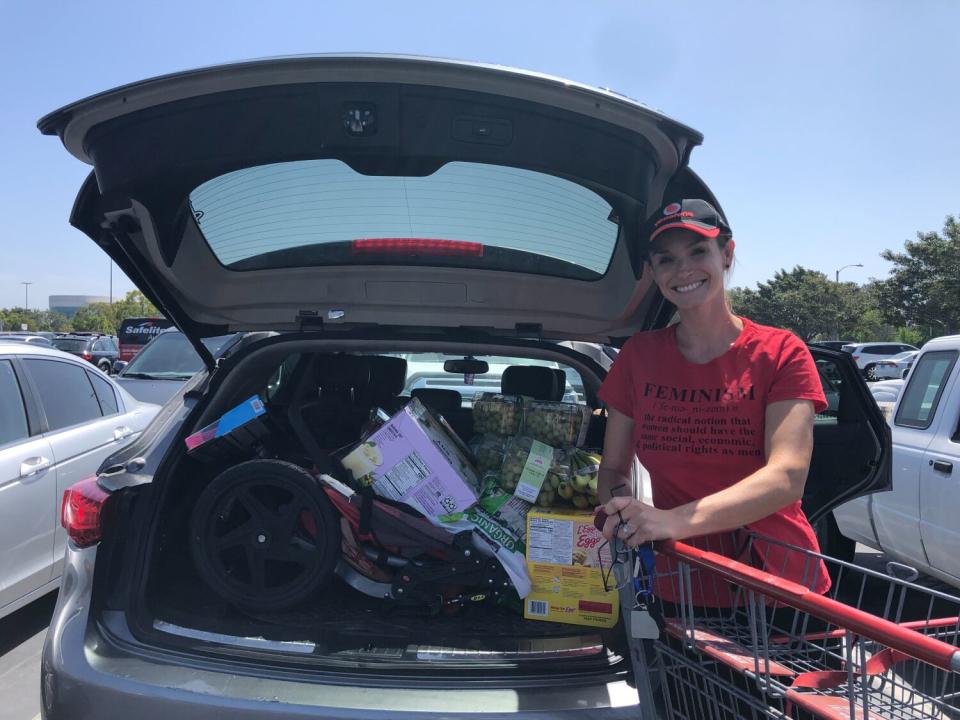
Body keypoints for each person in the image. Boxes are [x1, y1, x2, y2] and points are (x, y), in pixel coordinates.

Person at [595, 199, 830, 603]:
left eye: (698, 251)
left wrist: (670, 521)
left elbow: (787, 478)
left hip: (776, 586)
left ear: (727, 253)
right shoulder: (638, 356)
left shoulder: (781, 352)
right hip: (680, 583)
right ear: (652, 273)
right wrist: (619, 508)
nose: (683, 270)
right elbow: (614, 466)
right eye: (666, 260)